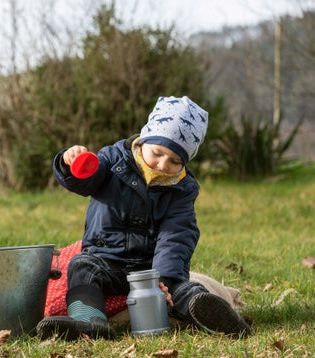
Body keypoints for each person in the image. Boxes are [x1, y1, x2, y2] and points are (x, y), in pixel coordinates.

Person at [36, 96, 250, 340]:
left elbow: (176, 236)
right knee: (81, 266)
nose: (162, 164)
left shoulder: (181, 190)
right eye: (157, 153)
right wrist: (68, 162)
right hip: (107, 261)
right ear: (143, 140)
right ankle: (89, 321)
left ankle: (209, 311)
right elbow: (84, 180)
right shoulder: (112, 161)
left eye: (175, 160)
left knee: (179, 288)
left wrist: (164, 278)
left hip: (151, 269)